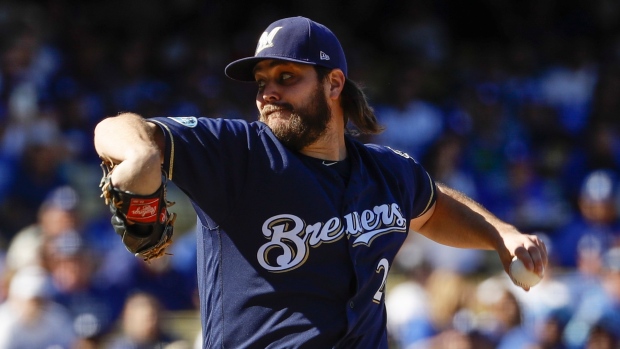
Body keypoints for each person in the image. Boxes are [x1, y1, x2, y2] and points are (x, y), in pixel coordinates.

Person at [93, 16, 547, 349]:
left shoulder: (388, 171)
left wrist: (499, 233)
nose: (268, 92)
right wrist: (140, 153)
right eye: (261, 82)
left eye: (286, 77)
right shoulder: (238, 153)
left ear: (333, 84)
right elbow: (117, 128)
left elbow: (433, 208)